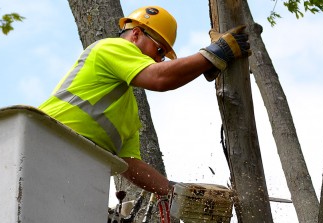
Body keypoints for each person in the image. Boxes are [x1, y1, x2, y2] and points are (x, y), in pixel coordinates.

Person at [39, 6, 250, 196]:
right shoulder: (110, 48)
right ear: (136, 35)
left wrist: (176, 191)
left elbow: (130, 165)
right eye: (159, 51)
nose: (158, 59)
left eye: (163, 57)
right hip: (43, 141)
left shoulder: (128, 112)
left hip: (72, 168)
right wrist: (213, 55)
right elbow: (160, 77)